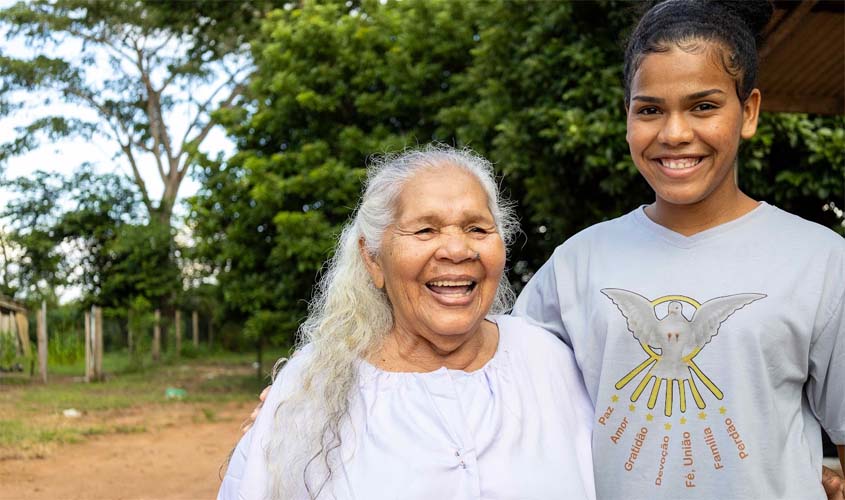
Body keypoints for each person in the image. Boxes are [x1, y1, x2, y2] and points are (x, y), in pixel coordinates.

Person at [514, 0, 844, 498]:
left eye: (703, 106)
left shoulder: (820, 260)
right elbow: (508, 400)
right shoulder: (577, 263)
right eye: (649, 110)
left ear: (749, 111)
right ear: (627, 116)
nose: (674, 134)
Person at [218, 146, 596, 499]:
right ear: (373, 258)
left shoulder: (554, 362)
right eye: (425, 230)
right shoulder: (311, 387)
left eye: (477, 229)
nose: (457, 250)